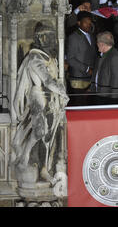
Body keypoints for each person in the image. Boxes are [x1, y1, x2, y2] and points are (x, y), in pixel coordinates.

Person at [12, 23, 69, 186]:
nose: (51, 40)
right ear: (40, 38)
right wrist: (63, 92)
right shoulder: (35, 58)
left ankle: (44, 169)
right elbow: (47, 80)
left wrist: (59, 92)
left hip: (51, 98)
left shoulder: (48, 56)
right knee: (40, 130)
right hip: (39, 97)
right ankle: (25, 157)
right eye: (48, 36)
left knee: (49, 136)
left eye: (52, 36)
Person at [66, 11, 97, 106]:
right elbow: (70, 59)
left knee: (89, 104)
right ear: (78, 23)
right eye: (85, 22)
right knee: (80, 104)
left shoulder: (91, 35)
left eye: (90, 22)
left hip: (90, 78)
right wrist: (87, 69)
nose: (88, 25)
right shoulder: (73, 37)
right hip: (78, 79)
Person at [90, 31, 118, 105]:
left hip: (110, 97)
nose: (96, 45)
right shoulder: (103, 54)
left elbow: (116, 78)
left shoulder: (114, 57)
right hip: (102, 94)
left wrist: (113, 99)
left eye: (97, 43)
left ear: (101, 44)